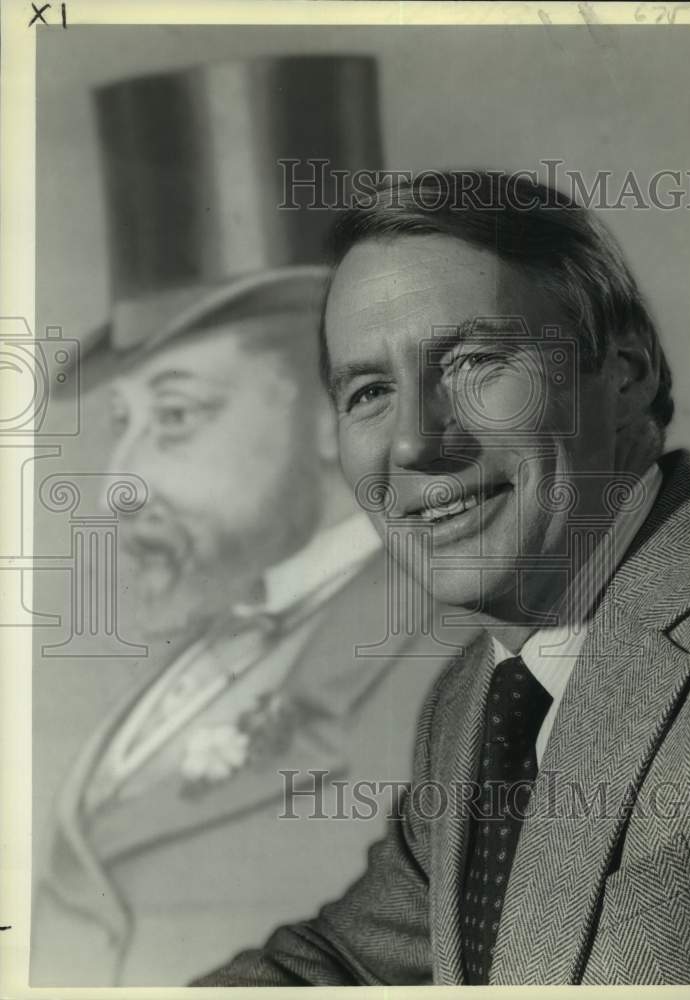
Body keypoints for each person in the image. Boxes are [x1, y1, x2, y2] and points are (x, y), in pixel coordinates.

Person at [193, 171, 690, 986]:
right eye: (369, 391)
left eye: (474, 363)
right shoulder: (479, 696)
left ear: (624, 377)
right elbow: (340, 968)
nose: (413, 443)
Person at [31, 63, 473, 986]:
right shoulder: (215, 634)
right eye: (125, 423)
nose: (122, 478)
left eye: (179, 416)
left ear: (333, 410)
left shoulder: (459, 671)